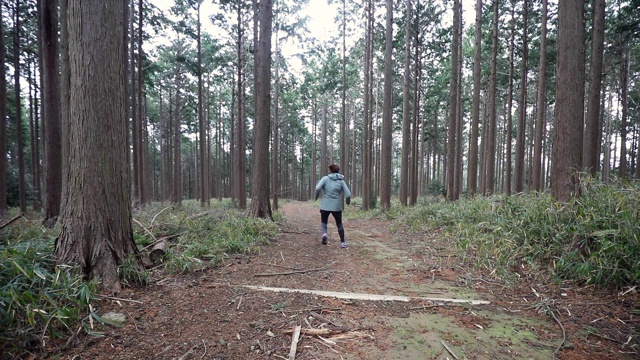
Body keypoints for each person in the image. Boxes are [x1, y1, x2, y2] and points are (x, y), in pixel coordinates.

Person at [314, 163, 351, 248]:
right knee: (339, 224)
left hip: (325, 206)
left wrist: (316, 197)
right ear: (338, 170)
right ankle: (343, 242)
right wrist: (348, 202)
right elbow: (348, 195)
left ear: (330, 170)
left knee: (324, 222)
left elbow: (318, 188)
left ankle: (324, 234)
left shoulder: (325, 179)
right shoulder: (341, 181)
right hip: (336, 206)